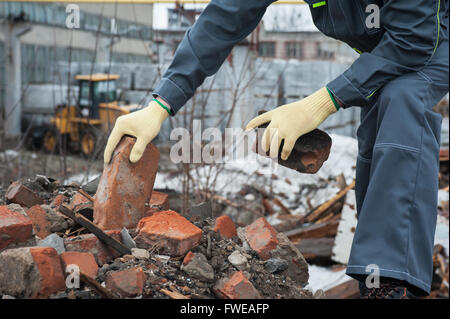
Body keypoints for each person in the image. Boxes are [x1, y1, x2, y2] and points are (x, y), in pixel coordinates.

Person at [104, 0, 449, 298]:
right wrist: (161, 103)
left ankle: (389, 285)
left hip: (430, 37)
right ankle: (378, 276)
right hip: (399, 43)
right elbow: (225, 16)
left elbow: (413, 38)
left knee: (402, 100)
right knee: (377, 131)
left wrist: (320, 103)